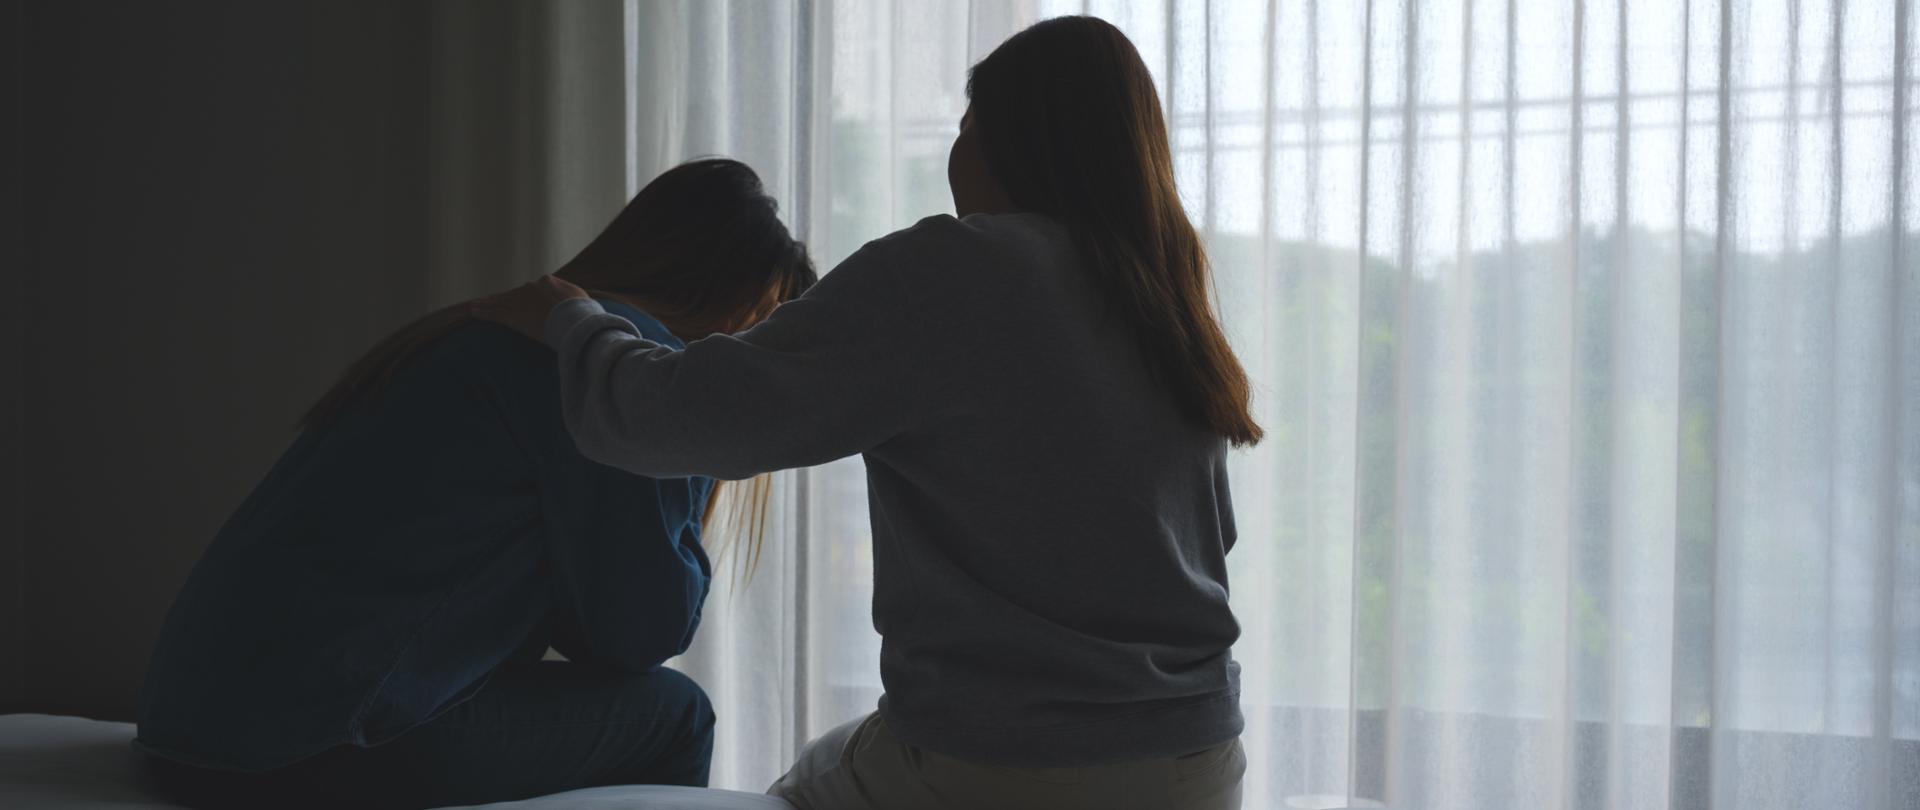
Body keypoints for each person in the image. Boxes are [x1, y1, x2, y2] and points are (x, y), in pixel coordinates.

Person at [480, 16, 1254, 810]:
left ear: (1007, 144)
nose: (955, 157)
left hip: (1010, 766)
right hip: (1200, 760)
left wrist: (573, 321)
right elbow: (1207, 537)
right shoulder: (1164, 297)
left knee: (799, 789)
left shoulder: (952, 272)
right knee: (838, 750)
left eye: (966, 128)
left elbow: (670, 419)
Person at [136, 159, 816, 810]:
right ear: (736, 315)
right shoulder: (621, 371)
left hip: (185, 731)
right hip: (305, 745)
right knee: (675, 715)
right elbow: (637, 636)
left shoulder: (485, 334)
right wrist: (702, 449)